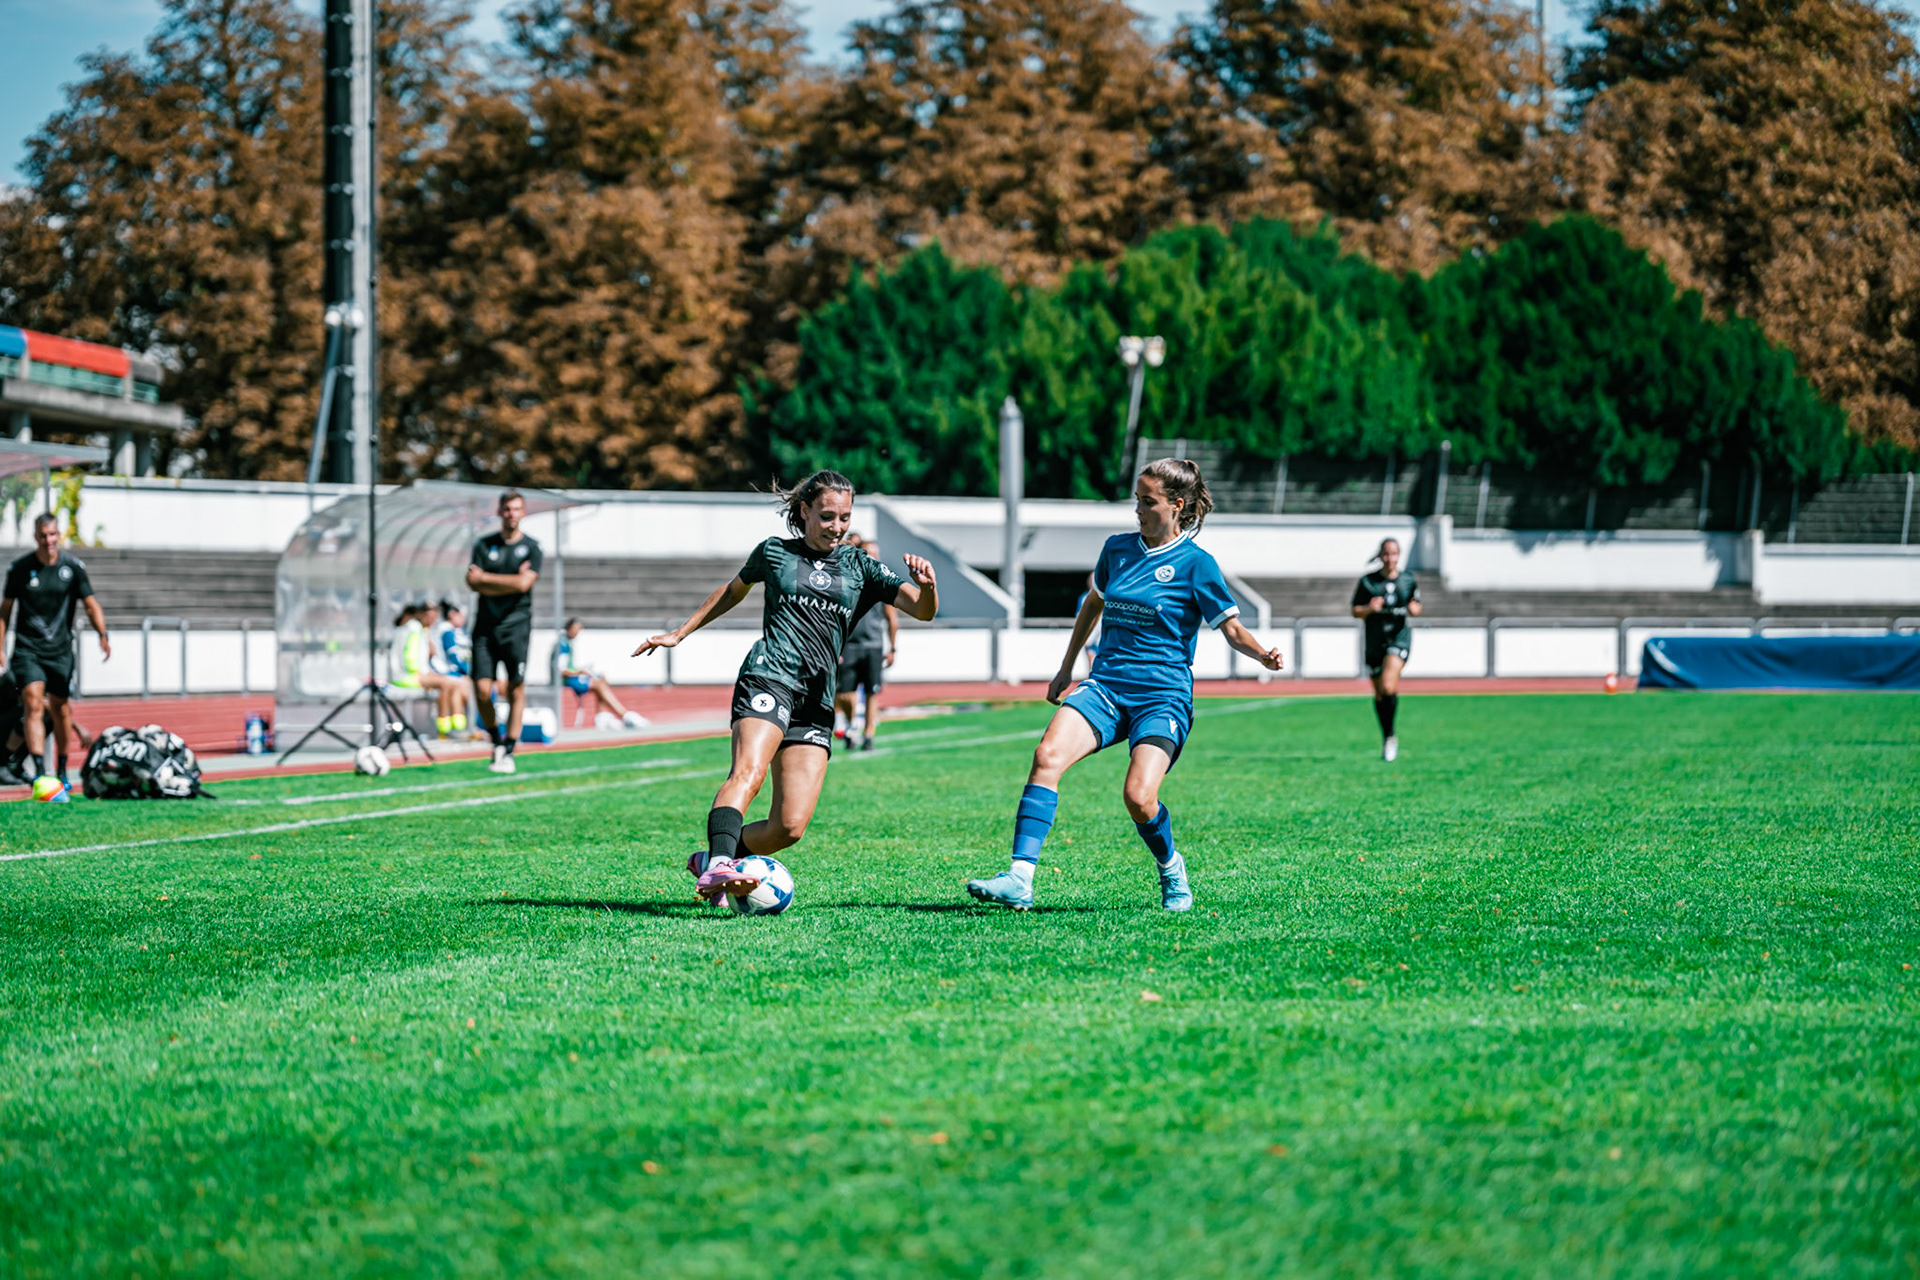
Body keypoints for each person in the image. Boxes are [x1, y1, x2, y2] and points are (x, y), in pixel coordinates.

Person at [965, 458, 1284, 913]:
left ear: (1176, 505)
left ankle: (1172, 867)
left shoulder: (1197, 565)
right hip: (1106, 687)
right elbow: (1092, 606)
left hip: (1162, 696)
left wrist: (1263, 654)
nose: (1137, 508)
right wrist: (1066, 667)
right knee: (1046, 756)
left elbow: (1231, 629)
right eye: (1136, 499)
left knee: (1138, 796)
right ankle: (1020, 877)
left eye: (1147, 501)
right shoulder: (1117, 549)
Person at [636, 470, 940, 900]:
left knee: (790, 825)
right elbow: (732, 591)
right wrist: (679, 633)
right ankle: (721, 866)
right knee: (749, 772)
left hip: (816, 699)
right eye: (827, 516)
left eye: (845, 518)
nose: (837, 527)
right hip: (769, 675)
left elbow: (922, 610)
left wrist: (928, 588)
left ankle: (715, 857)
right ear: (804, 511)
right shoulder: (774, 553)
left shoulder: (860, 566)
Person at [0, 513, 110, 787]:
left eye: (52, 535)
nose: (48, 540)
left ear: (58, 535)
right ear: (35, 537)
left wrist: (102, 634)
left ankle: (61, 770)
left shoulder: (72, 568)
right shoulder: (20, 569)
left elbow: (91, 604)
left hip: (60, 651)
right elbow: (5, 611)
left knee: (61, 709)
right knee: (33, 702)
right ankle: (39, 772)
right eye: (42, 535)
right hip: (28, 649)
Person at [466, 490, 542, 774]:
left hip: (517, 628)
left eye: (516, 509)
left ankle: (509, 746)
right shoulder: (484, 545)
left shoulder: (533, 548)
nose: (511, 513)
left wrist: (486, 578)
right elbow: (472, 583)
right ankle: (496, 739)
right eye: (507, 509)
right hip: (485, 627)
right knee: (483, 690)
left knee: (515, 688)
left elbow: (524, 586)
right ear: (499, 512)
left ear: (523, 512)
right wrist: (511, 580)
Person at [1351, 537, 1421, 762]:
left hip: (1398, 639)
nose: (1390, 558)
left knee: (1389, 685)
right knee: (1380, 693)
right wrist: (1369, 608)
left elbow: (1416, 605)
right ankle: (1388, 735)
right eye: (1386, 554)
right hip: (1374, 643)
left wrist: (1414, 608)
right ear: (1380, 556)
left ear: (1399, 556)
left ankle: (1390, 739)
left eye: (1394, 554)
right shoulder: (1368, 582)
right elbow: (1355, 611)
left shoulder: (1408, 580)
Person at [832, 534, 897, 752]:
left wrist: (893, 647)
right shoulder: (848, 579)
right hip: (850, 645)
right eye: (869, 552)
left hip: (873, 645)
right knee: (843, 693)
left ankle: (868, 735)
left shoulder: (881, 582)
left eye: (876, 553)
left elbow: (892, 617)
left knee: (872, 692)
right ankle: (853, 725)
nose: (874, 557)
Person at [389, 602, 466, 738]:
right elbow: (410, 655)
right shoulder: (413, 628)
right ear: (421, 615)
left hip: (416, 673)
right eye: (430, 617)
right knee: (445, 683)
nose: (432, 621)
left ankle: (457, 723)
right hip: (406, 675)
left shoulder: (423, 630)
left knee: (455, 683)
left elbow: (431, 653)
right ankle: (443, 726)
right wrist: (420, 672)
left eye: (434, 618)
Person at [557, 618, 647, 729]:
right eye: (576, 629)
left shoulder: (567, 642)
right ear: (569, 628)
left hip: (572, 677)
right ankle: (624, 715)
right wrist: (581, 671)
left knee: (601, 678)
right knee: (598, 684)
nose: (577, 633)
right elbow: (562, 669)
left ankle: (602, 716)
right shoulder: (563, 644)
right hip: (567, 680)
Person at [429, 600, 472, 738]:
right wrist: (467, 671)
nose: (463, 619)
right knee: (461, 686)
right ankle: (453, 728)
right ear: (452, 615)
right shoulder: (446, 630)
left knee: (458, 689)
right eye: (460, 615)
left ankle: (456, 728)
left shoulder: (453, 631)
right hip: (443, 673)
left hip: (449, 673)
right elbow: (453, 654)